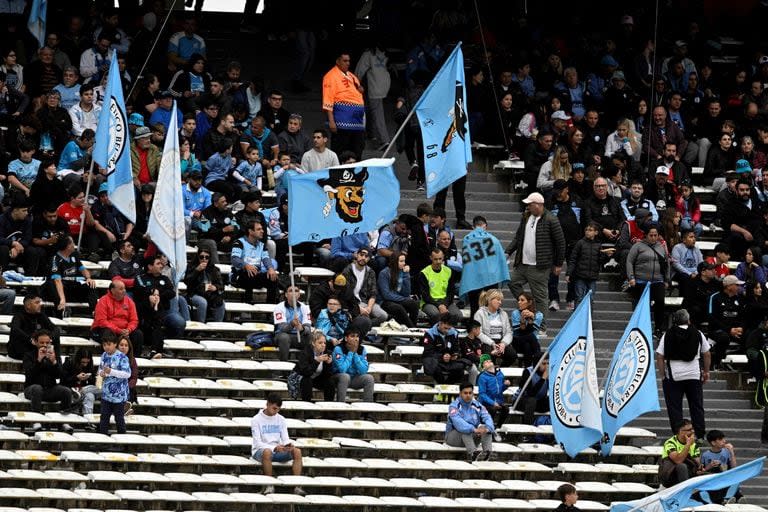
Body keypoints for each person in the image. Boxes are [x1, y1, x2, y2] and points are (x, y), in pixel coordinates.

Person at [507, 192, 566, 334]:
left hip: (540, 266)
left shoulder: (551, 219)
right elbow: (518, 237)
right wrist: (508, 251)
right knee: (512, 282)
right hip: (523, 263)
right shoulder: (526, 216)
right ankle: (527, 303)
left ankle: (541, 327)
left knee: (541, 297)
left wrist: (558, 264)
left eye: (530, 204)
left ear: (538, 205)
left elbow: (560, 243)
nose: (527, 206)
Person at [656, 309, 711, 439]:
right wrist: (706, 371)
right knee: (696, 406)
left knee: (675, 407)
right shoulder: (698, 333)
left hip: (674, 376)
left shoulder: (667, 334)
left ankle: (678, 435)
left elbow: (659, 356)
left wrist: (663, 375)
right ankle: (699, 434)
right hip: (694, 375)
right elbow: (707, 353)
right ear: (688, 320)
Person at [250, 392, 306, 496]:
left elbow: (285, 438)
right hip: (260, 451)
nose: (276, 411)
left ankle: (296, 486)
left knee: (297, 451)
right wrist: (274, 448)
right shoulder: (256, 420)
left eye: (278, 409)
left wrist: (288, 445)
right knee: (267, 452)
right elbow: (257, 443)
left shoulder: (281, 419)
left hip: (278, 450)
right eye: (274, 408)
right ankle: (269, 484)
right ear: (267, 404)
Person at [134, 254, 185, 358]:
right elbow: (139, 292)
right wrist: (151, 295)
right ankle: (155, 350)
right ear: (150, 266)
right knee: (153, 319)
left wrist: (158, 295)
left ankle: (155, 350)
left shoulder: (165, 279)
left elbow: (171, 292)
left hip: (162, 311)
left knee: (159, 320)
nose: (161, 266)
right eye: (158, 264)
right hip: (144, 312)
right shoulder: (140, 278)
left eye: (162, 264)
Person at [23, 330, 73, 431]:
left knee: (66, 391)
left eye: (47, 342)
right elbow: (29, 375)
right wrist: (39, 360)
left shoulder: (54, 355)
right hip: (31, 388)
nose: (45, 345)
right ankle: (36, 420)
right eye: (42, 342)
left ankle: (64, 421)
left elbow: (60, 375)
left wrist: (54, 362)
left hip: (50, 389)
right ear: (36, 342)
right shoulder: (28, 355)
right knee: (37, 388)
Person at [626, 224, 669, 334]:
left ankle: (658, 328)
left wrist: (666, 279)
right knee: (642, 306)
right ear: (646, 235)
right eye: (651, 235)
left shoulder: (661, 246)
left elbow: (666, 263)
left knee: (660, 302)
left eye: (656, 235)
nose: (653, 237)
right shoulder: (638, 246)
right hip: (641, 280)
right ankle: (639, 327)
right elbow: (629, 261)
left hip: (657, 280)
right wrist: (631, 277)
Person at [323, 52, 365, 160]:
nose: (348, 63)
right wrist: (331, 121)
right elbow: (328, 98)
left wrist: (360, 89)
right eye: (345, 60)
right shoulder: (330, 76)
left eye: (349, 61)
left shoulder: (351, 75)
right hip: (342, 120)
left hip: (357, 121)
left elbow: (359, 89)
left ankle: (355, 174)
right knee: (340, 151)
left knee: (357, 149)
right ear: (338, 61)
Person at [44, 235, 99, 318]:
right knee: (52, 284)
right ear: (67, 246)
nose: (74, 244)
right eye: (72, 243)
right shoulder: (55, 259)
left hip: (72, 287)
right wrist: (62, 299)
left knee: (90, 285)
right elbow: (57, 281)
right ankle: (60, 314)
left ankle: (95, 312)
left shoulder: (74, 255)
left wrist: (88, 278)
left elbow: (83, 269)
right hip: (60, 289)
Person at [91, 280, 145, 355]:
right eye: (121, 289)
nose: (124, 291)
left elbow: (134, 320)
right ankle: (108, 358)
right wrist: (118, 330)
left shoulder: (129, 301)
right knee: (107, 333)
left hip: (125, 330)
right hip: (106, 329)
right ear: (112, 290)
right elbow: (102, 321)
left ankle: (134, 359)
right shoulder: (103, 301)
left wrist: (128, 330)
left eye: (124, 288)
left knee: (138, 334)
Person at [230, 220, 279, 304]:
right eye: (259, 229)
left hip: (256, 275)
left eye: (262, 229)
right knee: (249, 274)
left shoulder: (261, 244)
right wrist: (246, 265)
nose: (262, 231)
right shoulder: (239, 242)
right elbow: (234, 259)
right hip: (240, 275)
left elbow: (266, 258)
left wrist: (270, 268)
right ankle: (247, 306)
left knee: (273, 278)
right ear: (250, 231)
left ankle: (270, 308)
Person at [445, 381, 495, 462]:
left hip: (472, 438)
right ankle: (473, 454)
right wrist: (474, 429)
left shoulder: (477, 405)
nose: (468, 395)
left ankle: (487, 453)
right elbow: (459, 423)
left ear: (473, 393)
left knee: (487, 428)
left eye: (470, 393)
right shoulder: (454, 406)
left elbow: (487, 417)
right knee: (465, 430)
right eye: (465, 393)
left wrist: (487, 429)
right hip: (453, 438)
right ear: (460, 393)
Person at [708, 275, 748, 369]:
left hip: (735, 330)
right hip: (717, 330)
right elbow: (711, 318)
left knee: (750, 336)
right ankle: (717, 364)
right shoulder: (715, 297)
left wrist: (741, 328)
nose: (739, 287)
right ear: (729, 286)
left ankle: (741, 365)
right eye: (737, 285)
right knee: (723, 338)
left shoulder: (739, 299)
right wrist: (729, 330)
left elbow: (743, 317)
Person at [342, 248, 388, 327]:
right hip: (351, 303)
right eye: (361, 255)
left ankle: (364, 328)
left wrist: (369, 307)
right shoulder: (347, 270)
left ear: (369, 259)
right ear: (357, 255)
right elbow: (346, 294)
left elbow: (373, 293)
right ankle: (363, 328)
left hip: (365, 302)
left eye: (366, 256)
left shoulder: (370, 272)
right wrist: (358, 307)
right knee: (362, 318)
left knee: (383, 315)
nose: (363, 258)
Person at [9, 293, 60, 360]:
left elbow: (55, 328)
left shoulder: (41, 315)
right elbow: (15, 330)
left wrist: (50, 338)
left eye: (40, 302)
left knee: (55, 335)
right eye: (37, 303)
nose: (40, 305)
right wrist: (30, 339)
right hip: (23, 350)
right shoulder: (19, 316)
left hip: (38, 348)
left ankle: (57, 359)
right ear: (28, 305)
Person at [331, 326, 375, 402]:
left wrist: (355, 355)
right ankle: (340, 408)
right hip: (338, 378)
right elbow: (342, 369)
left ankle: (368, 410)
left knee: (369, 378)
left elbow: (363, 371)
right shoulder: (338, 349)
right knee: (345, 376)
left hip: (354, 378)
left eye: (357, 336)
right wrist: (350, 353)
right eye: (352, 336)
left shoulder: (362, 349)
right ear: (346, 338)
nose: (356, 339)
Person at [474, 289, 517, 367]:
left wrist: (503, 343)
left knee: (512, 355)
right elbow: (478, 333)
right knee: (489, 355)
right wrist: (492, 343)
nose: (500, 302)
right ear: (489, 300)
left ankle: (500, 371)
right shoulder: (480, 313)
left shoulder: (504, 314)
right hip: (486, 342)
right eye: (498, 300)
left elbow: (509, 332)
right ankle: (491, 373)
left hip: (501, 341)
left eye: (501, 300)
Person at [419, 248, 461, 325]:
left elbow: (450, 292)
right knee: (436, 315)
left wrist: (444, 305)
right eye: (435, 259)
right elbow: (425, 296)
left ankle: (450, 333)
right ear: (431, 258)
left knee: (458, 315)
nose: (438, 261)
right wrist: (439, 305)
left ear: (443, 257)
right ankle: (437, 333)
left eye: (440, 259)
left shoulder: (448, 271)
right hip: (429, 302)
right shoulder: (424, 273)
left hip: (446, 301)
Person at [422, 313, 468, 384]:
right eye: (445, 328)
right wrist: (442, 356)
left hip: (449, 361)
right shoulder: (429, 333)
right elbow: (428, 352)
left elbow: (456, 349)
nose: (447, 331)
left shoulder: (454, 333)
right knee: (433, 367)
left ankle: (447, 385)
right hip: (436, 361)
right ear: (440, 323)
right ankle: (442, 386)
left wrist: (454, 355)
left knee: (461, 368)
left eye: (449, 328)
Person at [377, 251, 419, 328]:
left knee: (414, 304)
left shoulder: (402, 272)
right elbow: (386, 295)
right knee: (399, 308)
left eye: (404, 261)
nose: (404, 263)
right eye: (401, 261)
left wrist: (406, 274)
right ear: (394, 261)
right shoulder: (384, 273)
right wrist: (404, 299)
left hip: (398, 299)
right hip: (384, 301)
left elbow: (406, 293)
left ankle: (412, 329)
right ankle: (413, 330)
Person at [701, 429, 744, 504]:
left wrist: (731, 452)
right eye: (720, 439)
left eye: (724, 438)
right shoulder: (705, 455)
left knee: (734, 476)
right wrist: (710, 466)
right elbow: (702, 471)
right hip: (713, 479)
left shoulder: (726, 452)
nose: (724, 441)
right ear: (713, 443)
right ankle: (726, 499)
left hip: (725, 476)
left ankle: (737, 497)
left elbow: (734, 467)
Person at [183, 249, 225, 323]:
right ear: (198, 257)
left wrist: (215, 287)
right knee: (202, 302)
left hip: (210, 293)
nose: (204, 259)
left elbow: (221, 285)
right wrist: (196, 271)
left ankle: (217, 327)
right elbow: (187, 282)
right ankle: (201, 326)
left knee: (221, 302)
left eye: (207, 257)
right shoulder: (191, 266)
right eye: (201, 257)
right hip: (194, 293)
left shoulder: (214, 269)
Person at [273, 286, 312, 362]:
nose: (294, 293)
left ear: (299, 294)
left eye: (296, 291)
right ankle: (284, 368)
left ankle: (306, 366)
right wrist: (292, 324)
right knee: (284, 337)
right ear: (286, 294)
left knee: (311, 336)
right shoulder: (279, 307)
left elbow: (308, 327)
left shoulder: (305, 307)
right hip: (282, 336)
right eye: (291, 291)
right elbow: (282, 328)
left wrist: (302, 328)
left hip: (298, 336)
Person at [292, 331, 334, 402]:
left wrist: (329, 364)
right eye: (320, 343)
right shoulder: (305, 352)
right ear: (313, 343)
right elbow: (305, 372)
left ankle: (329, 407)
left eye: (324, 343)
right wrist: (317, 361)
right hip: (300, 378)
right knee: (307, 380)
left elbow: (327, 375)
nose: (323, 345)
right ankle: (307, 405)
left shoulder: (327, 353)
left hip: (316, 379)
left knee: (330, 382)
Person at [659, 419, 702, 488]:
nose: (692, 431)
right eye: (689, 430)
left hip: (688, 474)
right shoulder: (670, 443)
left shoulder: (694, 444)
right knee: (681, 466)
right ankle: (684, 491)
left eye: (692, 429)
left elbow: (697, 464)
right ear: (680, 431)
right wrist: (688, 445)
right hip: (670, 475)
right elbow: (678, 460)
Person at [477, 354, 511, 438]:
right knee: (492, 410)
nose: (488, 362)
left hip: (498, 400)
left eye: (489, 360)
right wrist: (492, 402)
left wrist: (506, 385)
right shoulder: (482, 377)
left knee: (506, 409)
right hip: (486, 401)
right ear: (483, 367)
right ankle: (489, 429)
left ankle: (497, 427)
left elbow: (500, 390)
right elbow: (482, 394)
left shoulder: (500, 374)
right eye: (485, 362)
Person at [62, 347, 98, 419]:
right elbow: (63, 381)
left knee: (90, 395)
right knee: (90, 395)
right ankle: (88, 421)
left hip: (83, 390)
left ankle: (88, 420)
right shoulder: (69, 363)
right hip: (71, 389)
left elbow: (93, 383)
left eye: (87, 362)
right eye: (83, 362)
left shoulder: (90, 366)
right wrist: (76, 377)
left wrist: (89, 378)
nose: (85, 364)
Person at [510, 292, 544, 367]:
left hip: (530, 344)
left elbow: (529, 331)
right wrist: (522, 319)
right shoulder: (515, 313)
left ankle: (527, 370)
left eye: (522, 300)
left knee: (527, 345)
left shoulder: (538, 315)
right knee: (530, 336)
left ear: (529, 302)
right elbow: (519, 332)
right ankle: (538, 358)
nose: (519, 302)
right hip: (517, 342)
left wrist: (531, 320)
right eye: (519, 300)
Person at [514, 357, 550, 425]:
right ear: (537, 364)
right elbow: (531, 393)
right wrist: (543, 379)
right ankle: (527, 426)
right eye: (544, 364)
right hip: (520, 401)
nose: (546, 366)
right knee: (532, 400)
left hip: (537, 401)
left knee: (552, 401)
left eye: (548, 363)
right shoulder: (527, 372)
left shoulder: (548, 373)